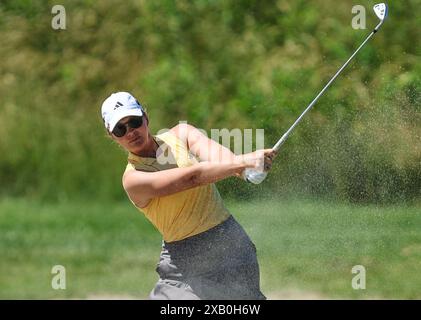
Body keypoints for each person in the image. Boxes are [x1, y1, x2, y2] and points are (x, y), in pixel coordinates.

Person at [101, 91, 276, 300]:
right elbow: (191, 179)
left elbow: (220, 158)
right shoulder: (133, 179)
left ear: (145, 118)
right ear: (112, 135)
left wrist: (246, 171)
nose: (130, 132)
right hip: (182, 263)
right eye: (120, 129)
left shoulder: (181, 134)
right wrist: (244, 162)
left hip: (229, 245)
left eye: (135, 122)